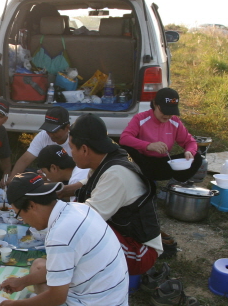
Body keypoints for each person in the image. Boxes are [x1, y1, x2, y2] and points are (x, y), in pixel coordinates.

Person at [0, 172, 128, 306]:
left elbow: (57, 298)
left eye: (19, 214)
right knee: (39, 265)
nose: (23, 221)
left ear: (32, 205)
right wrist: (22, 281)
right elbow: (58, 267)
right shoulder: (76, 208)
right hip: (97, 302)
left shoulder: (60, 234)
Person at [69, 114, 163, 277]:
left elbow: (84, 220)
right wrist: (61, 191)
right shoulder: (106, 157)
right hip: (125, 235)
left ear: (84, 149)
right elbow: (86, 184)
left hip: (140, 252)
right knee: (77, 205)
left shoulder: (115, 174)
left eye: (71, 148)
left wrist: (48, 209)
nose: (71, 153)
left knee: (81, 234)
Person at [119, 88, 202, 182]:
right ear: (155, 104)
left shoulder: (175, 122)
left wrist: (189, 152)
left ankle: (174, 185)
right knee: (126, 150)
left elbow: (190, 141)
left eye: (171, 112)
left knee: (196, 157)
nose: (167, 116)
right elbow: (124, 138)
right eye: (164, 111)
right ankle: (140, 182)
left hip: (163, 163)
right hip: (142, 162)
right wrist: (148, 146)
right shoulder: (140, 118)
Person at [8, 106, 85, 198]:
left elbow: (83, 171)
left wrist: (52, 181)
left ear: (67, 128)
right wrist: (12, 183)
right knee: (26, 175)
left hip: (72, 177)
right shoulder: (43, 136)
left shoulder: (76, 140)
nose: (51, 134)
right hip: (52, 174)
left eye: (54, 131)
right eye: (48, 130)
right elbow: (24, 160)